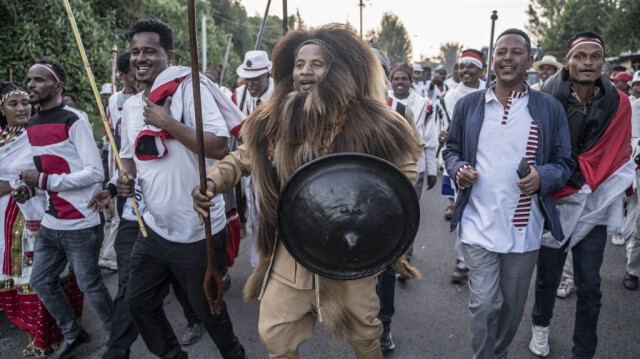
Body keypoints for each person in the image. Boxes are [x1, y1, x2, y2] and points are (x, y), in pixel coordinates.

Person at [193, 24, 422, 359]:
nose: (306, 71)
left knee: (365, 333)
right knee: (275, 334)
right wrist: (212, 181)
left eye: (317, 63)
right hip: (293, 250)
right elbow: (242, 158)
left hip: (350, 250)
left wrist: (372, 215)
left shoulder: (373, 119)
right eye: (300, 64)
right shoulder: (270, 119)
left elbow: (404, 171)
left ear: (336, 70)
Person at [115, 18, 246, 359]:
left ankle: (236, 355)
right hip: (153, 230)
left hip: (197, 230)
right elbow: (129, 160)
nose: (140, 58)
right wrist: (123, 181)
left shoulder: (188, 89)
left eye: (150, 51)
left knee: (209, 311)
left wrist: (168, 123)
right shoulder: (129, 107)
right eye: (135, 52)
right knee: (139, 302)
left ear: (169, 55)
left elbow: (220, 146)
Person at [443, 28, 573, 359]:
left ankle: (497, 353)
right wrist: (459, 170)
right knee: (486, 302)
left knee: (512, 309)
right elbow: (453, 150)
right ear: (492, 61)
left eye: (516, 52)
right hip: (477, 223)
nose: (507, 58)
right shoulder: (471, 105)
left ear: (529, 61)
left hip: (523, 228)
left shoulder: (547, 108)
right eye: (501, 52)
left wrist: (542, 177)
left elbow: (564, 162)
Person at [529, 31, 634, 359]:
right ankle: (540, 330)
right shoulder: (544, 95)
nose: (587, 62)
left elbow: (620, 152)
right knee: (548, 278)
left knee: (590, 286)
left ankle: (584, 350)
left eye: (595, 57)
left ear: (604, 62)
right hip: (555, 202)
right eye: (580, 56)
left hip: (596, 203)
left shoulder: (620, 102)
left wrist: (591, 182)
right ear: (567, 61)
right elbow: (534, 148)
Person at [13, 59, 113, 359]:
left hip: (82, 220)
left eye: (39, 80)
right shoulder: (29, 126)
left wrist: (43, 180)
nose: (31, 85)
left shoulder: (74, 120)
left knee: (90, 284)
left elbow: (95, 172)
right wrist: (29, 187)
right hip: (51, 221)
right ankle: (73, 333)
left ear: (58, 86)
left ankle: (116, 335)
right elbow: (40, 168)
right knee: (40, 280)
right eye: (29, 79)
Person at [0, 82, 85, 358]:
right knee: (16, 278)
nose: (22, 108)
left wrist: (12, 184)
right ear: (2, 109)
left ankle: (50, 336)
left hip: (35, 214)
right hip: (5, 218)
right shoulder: (3, 137)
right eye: (14, 104)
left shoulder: (38, 133)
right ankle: (36, 333)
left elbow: (50, 169)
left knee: (39, 277)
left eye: (25, 102)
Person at [432, 49, 486, 284]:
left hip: (488, 161)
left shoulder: (492, 92)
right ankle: (462, 261)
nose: (465, 70)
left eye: (471, 66)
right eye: (462, 66)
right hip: (461, 163)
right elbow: (440, 133)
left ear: (481, 70)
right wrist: (442, 138)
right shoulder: (448, 99)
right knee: (465, 212)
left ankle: (484, 261)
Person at [388, 62, 437, 265]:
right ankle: (388, 253)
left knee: (409, 213)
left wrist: (432, 171)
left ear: (411, 80)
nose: (400, 82)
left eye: (404, 78)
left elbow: (431, 140)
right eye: (396, 79)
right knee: (390, 214)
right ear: (391, 82)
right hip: (387, 168)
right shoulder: (382, 103)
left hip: (416, 169)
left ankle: (404, 258)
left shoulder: (424, 105)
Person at [231, 50, 275, 269]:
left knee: (273, 213)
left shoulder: (280, 93)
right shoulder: (237, 95)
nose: (251, 83)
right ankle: (258, 264)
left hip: (274, 166)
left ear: (267, 74)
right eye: (248, 78)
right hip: (249, 164)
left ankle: (276, 262)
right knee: (254, 214)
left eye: (256, 78)